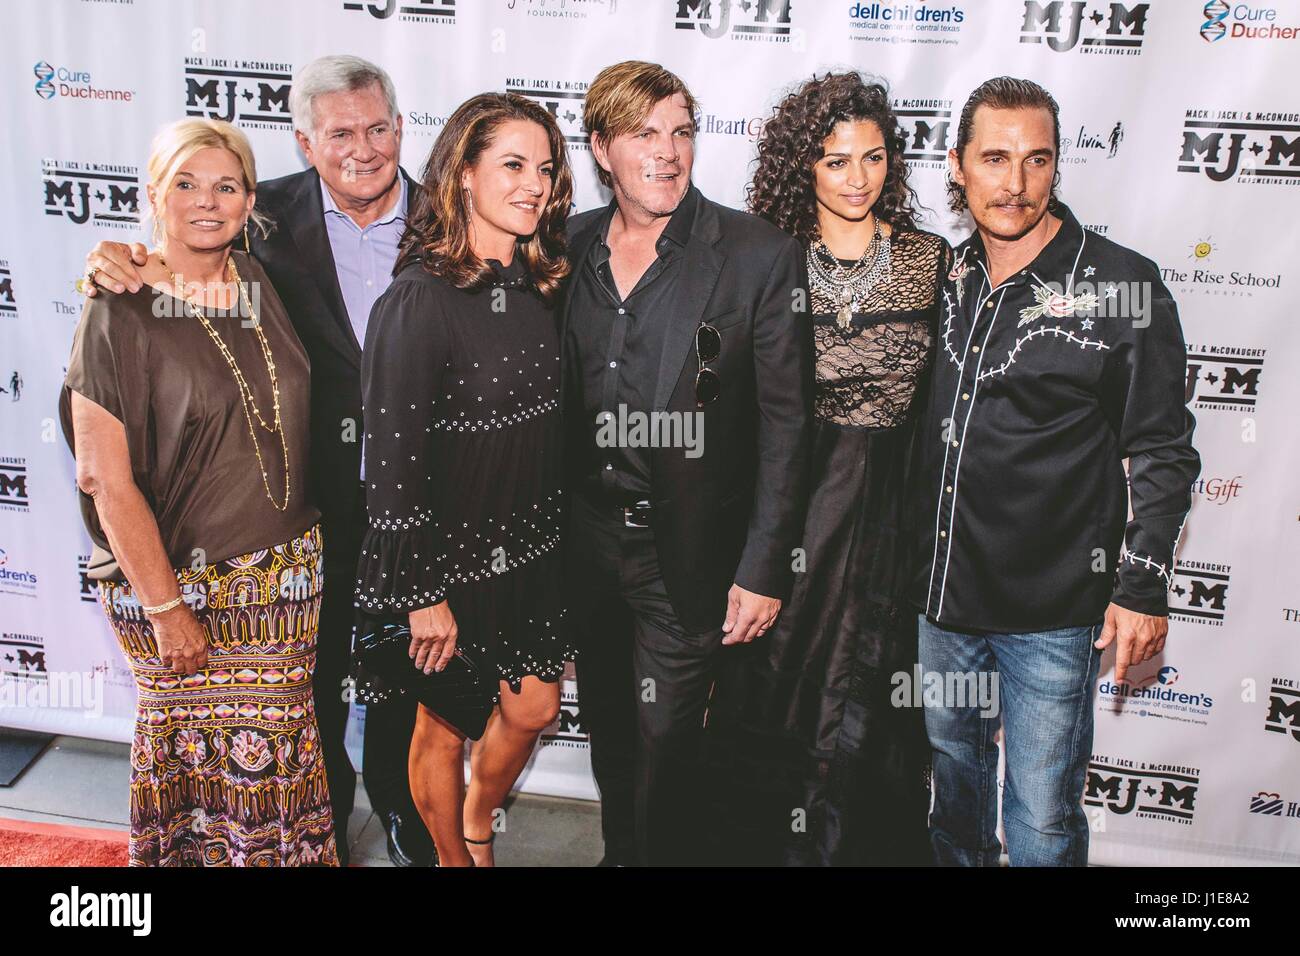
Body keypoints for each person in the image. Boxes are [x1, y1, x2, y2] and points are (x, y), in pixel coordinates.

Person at [82, 55, 432, 867]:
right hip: (298, 524)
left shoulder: (446, 213)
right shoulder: (259, 215)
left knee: (395, 695)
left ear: (401, 127)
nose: (364, 148)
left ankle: (393, 811)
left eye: (378, 127)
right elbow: (164, 265)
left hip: (390, 520)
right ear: (306, 143)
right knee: (278, 732)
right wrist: (114, 260)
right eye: (340, 132)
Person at [912, 77, 1200, 866]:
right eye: (995, 158)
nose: (1015, 183)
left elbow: (1165, 450)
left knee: (1039, 822)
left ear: (1057, 168)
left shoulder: (1123, 287)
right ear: (958, 165)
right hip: (942, 602)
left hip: (1054, 612)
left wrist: (1141, 584)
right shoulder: (942, 277)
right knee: (954, 796)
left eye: (1036, 161)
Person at [61, 118, 335, 866]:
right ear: (153, 192)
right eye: (184, 183)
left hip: (283, 583)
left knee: (278, 774)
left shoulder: (258, 278)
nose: (205, 202)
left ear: (251, 200)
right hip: (176, 582)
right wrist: (165, 608)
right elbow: (102, 478)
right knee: (192, 776)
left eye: (226, 186)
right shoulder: (116, 304)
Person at [562, 61, 814, 866]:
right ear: (602, 148)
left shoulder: (754, 254)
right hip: (587, 546)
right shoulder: (563, 250)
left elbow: (787, 425)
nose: (667, 153)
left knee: (668, 737)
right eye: (644, 134)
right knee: (608, 724)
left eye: (681, 132)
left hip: (689, 556)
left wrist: (765, 567)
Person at [703, 72, 946, 865]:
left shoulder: (931, 259)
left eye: (873, 159)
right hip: (795, 510)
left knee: (877, 706)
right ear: (802, 164)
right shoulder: (768, 260)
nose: (858, 178)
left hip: (897, 519)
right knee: (778, 695)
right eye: (836, 161)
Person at [356, 92, 576, 868]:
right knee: (439, 729)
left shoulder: (543, 284)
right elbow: (389, 464)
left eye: (545, 168)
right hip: (448, 561)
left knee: (535, 707)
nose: (533, 184)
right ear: (462, 174)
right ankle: (454, 859)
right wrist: (423, 594)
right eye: (512, 165)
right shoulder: (417, 301)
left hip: (532, 553)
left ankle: (480, 818)